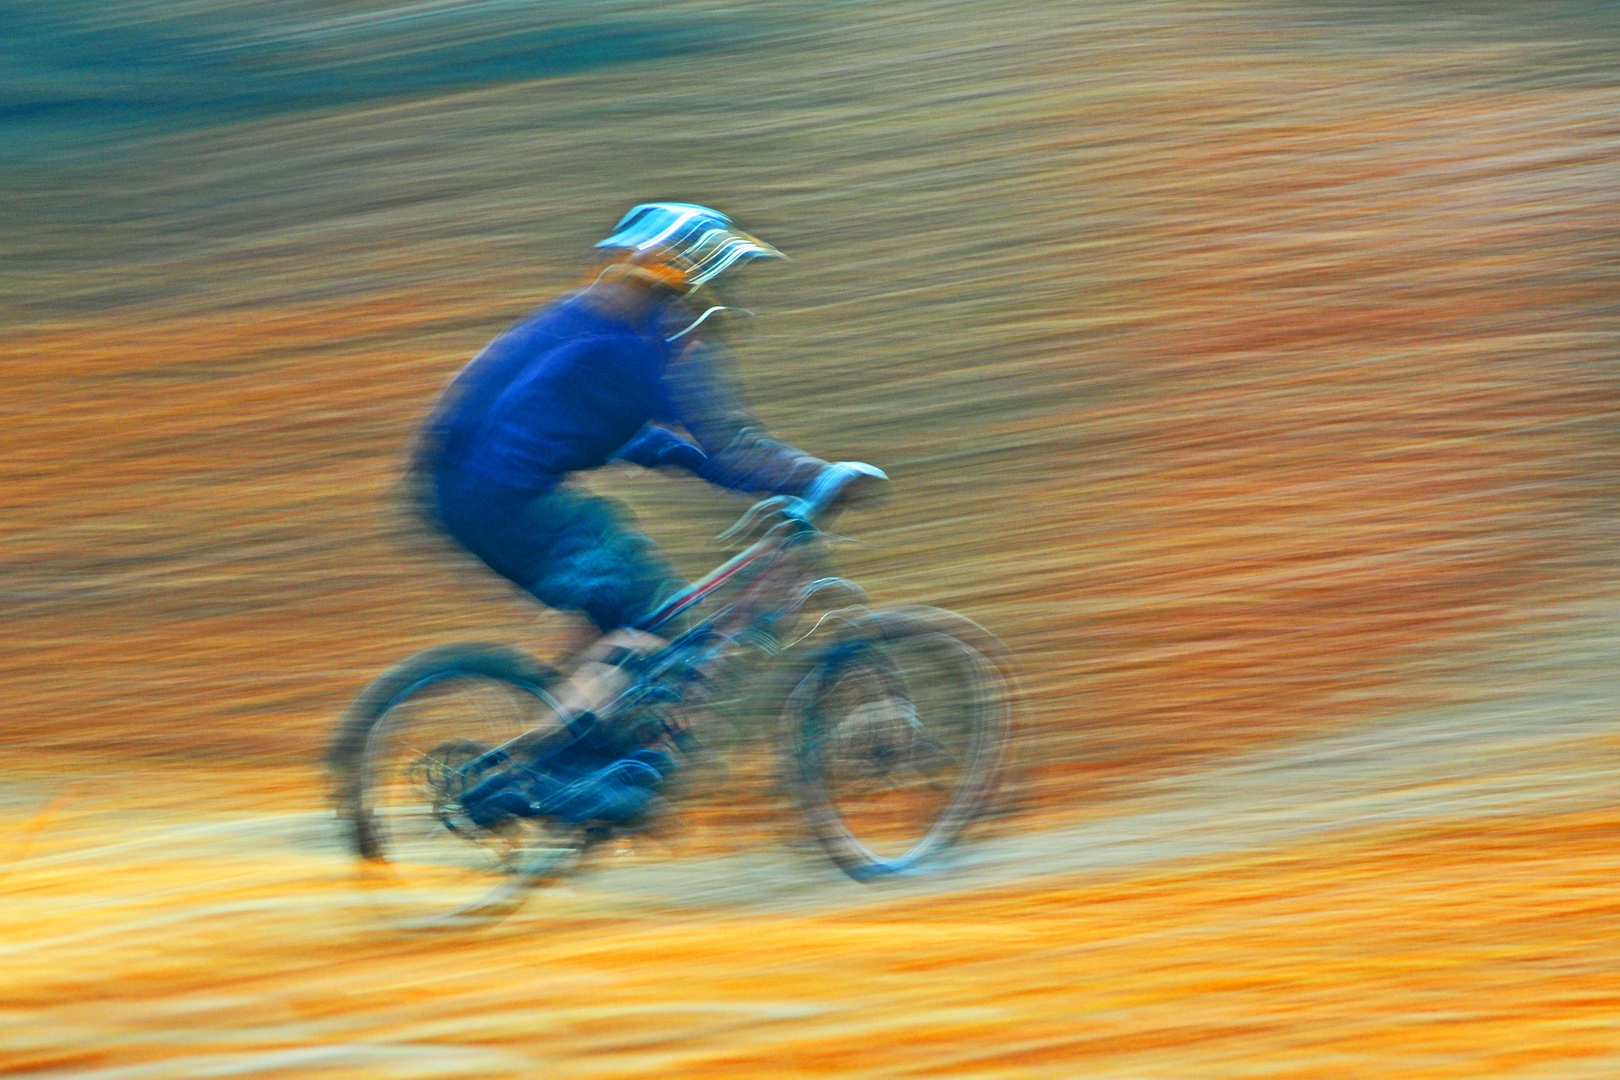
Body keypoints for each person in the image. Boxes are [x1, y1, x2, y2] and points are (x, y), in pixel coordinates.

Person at [411, 202, 885, 829]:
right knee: (652, 608)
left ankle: (590, 754)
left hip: (460, 489)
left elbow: (629, 434)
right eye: (716, 278)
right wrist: (818, 476)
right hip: (503, 497)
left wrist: (707, 465)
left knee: (617, 605)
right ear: (688, 275)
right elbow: (731, 451)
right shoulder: (649, 344)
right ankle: (564, 776)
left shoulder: (588, 324)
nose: (719, 295)